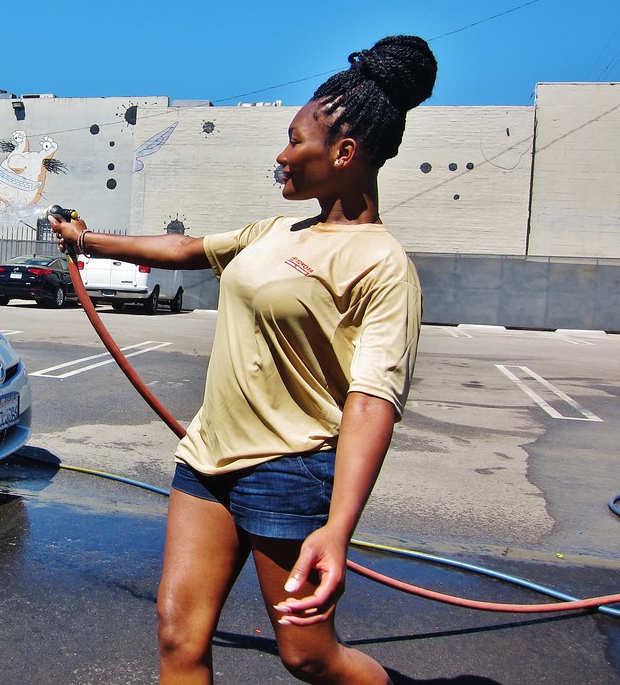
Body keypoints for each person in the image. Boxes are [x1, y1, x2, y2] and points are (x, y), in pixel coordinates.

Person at [51, 35, 437, 684]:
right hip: (207, 461)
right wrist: (86, 239)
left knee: (308, 656)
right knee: (178, 637)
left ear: (343, 154)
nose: (281, 155)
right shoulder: (275, 230)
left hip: (289, 471)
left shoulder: (381, 265)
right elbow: (183, 249)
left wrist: (339, 528)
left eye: (295, 140)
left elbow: (373, 401)